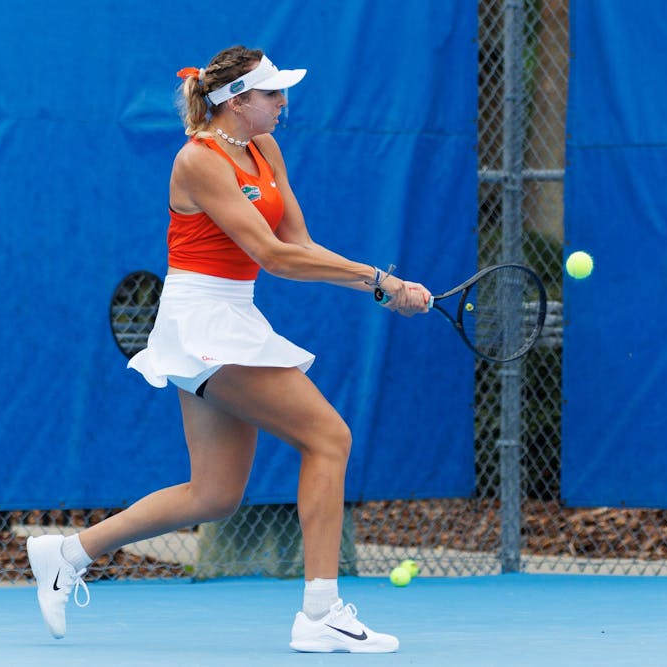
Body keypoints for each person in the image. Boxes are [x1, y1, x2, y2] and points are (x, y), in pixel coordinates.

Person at [26, 45, 430, 654]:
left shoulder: (264, 149)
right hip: (201, 321)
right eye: (272, 95)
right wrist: (380, 280)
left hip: (234, 315)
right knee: (329, 438)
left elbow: (298, 246)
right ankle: (321, 612)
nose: (283, 105)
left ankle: (67, 553)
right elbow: (271, 254)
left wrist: (380, 288)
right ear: (237, 102)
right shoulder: (198, 161)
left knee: (214, 495)